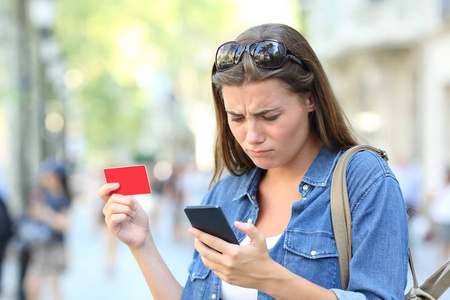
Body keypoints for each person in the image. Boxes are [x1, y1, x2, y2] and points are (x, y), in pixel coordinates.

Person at [99, 23, 409, 299]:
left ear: (310, 98)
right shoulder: (226, 192)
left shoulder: (363, 179)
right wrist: (142, 245)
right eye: (237, 118)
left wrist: (270, 278)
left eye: (269, 116)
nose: (251, 136)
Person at [22, 159, 71, 300]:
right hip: (40, 246)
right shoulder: (43, 195)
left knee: (47, 287)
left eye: (47, 175)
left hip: (53, 247)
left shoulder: (61, 198)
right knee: (37, 286)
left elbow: (63, 224)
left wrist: (44, 213)